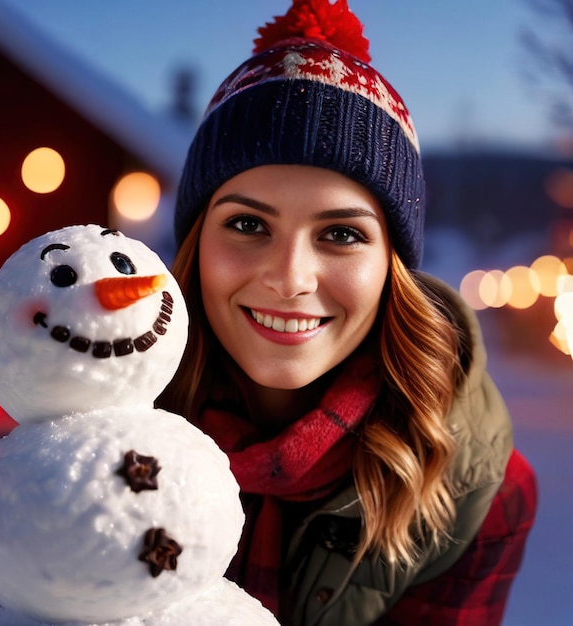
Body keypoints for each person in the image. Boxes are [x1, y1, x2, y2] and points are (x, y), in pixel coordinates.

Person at [158, 1, 538, 624]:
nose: (288, 279)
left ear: (393, 265)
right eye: (248, 224)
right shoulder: (103, 424)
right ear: (195, 245)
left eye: (340, 234)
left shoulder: (475, 487)